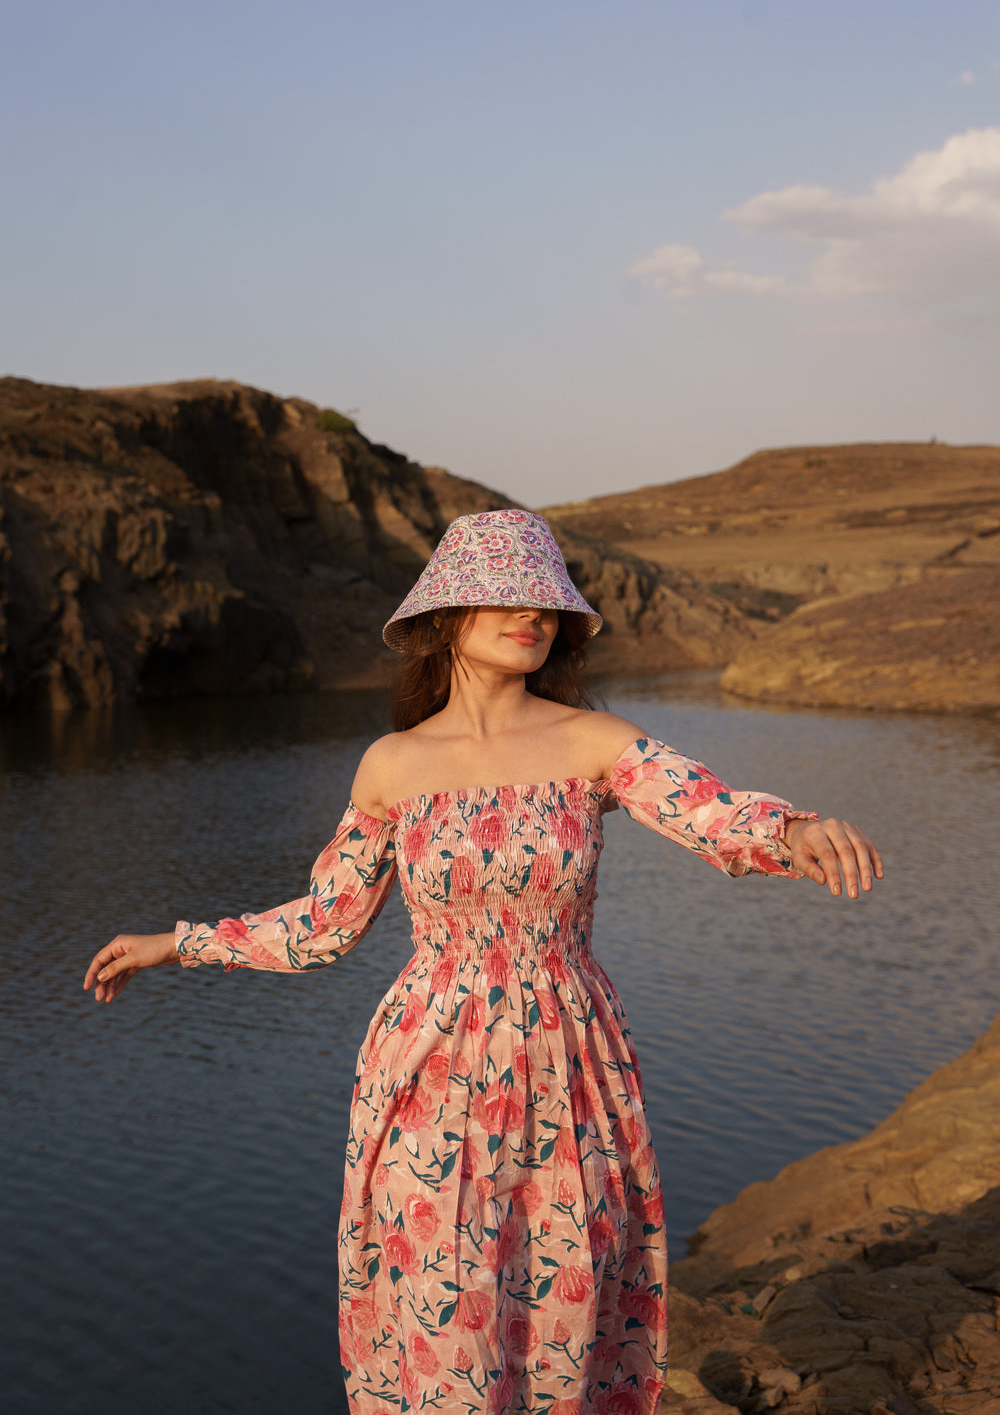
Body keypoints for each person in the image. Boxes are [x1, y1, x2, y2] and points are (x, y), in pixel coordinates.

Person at [84, 509, 882, 1415]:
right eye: (503, 596)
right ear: (444, 616)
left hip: (569, 1060)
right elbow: (322, 928)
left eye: (546, 601)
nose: (531, 615)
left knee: (565, 1314)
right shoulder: (392, 765)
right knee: (444, 1317)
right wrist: (176, 943)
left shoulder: (596, 744)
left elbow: (712, 812)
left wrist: (794, 829)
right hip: (427, 1068)